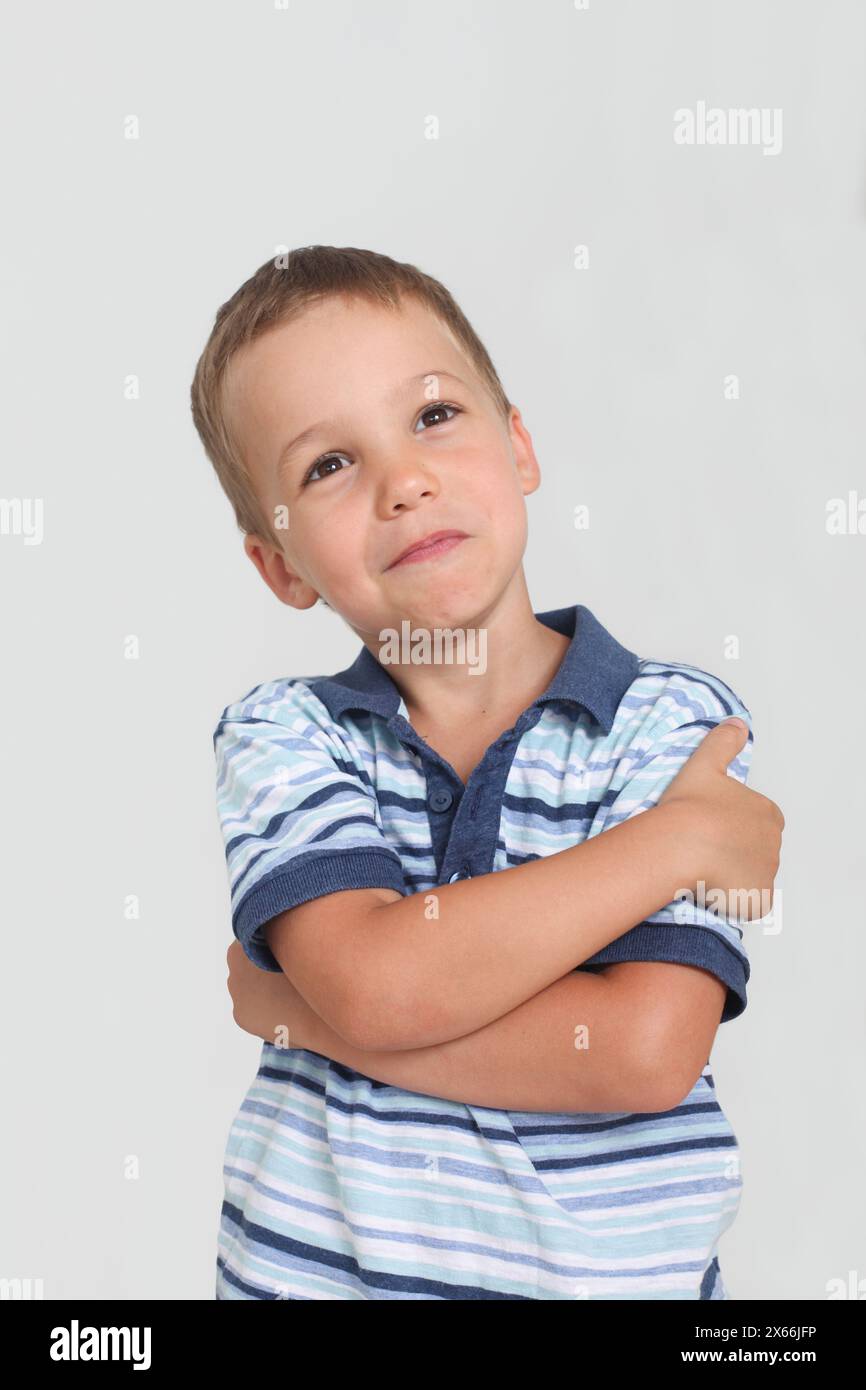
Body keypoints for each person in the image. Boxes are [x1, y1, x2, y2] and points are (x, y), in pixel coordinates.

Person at [190, 245, 784, 1300]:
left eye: (431, 417)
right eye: (328, 466)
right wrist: (676, 843)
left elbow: (639, 1053)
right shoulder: (285, 735)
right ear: (279, 565)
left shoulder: (671, 725)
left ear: (518, 446)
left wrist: (296, 1010)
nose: (402, 482)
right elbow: (377, 986)